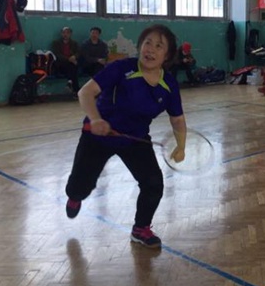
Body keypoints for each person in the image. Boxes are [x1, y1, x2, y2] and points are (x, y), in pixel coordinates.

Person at [64, 24, 186, 249]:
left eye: (158, 46)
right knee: (81, 185)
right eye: (147, 43)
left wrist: (181, 146)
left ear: (167, 55)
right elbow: (85, 92)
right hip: (99, 134)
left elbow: (177, 119)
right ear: (140, 46)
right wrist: (95, 119)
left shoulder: (169, 84)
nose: (150, 49)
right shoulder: (121, 68)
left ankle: (141, 228)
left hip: (134, 139)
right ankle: (75, 196)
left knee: (153, 184)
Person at [51, 26, 80, 95]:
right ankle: (75, 89)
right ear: (61, 34)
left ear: (70, 34)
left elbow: (78, 52)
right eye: (64, 32)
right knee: (73, 67)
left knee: (73, 66)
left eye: (67, 33)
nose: (65, 34)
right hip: (60, 64)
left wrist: (74, 57)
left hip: (71, 64)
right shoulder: (56, 43)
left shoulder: (74, 43)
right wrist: (69, 59)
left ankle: (70, 83)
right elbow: (57, 54)